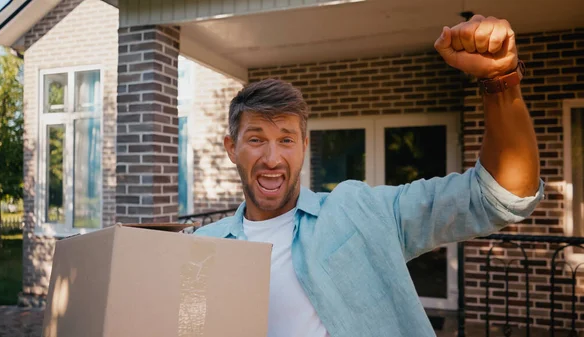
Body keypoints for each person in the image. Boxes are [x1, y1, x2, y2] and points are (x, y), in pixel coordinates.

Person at [194, 14, 544, 337]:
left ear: (304, 146)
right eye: (256, 140)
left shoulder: (360, 210)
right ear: (230, 147)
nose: (272, 158)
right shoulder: (201, 247)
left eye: (285, 140)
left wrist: (500, 81)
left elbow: (499, 196)